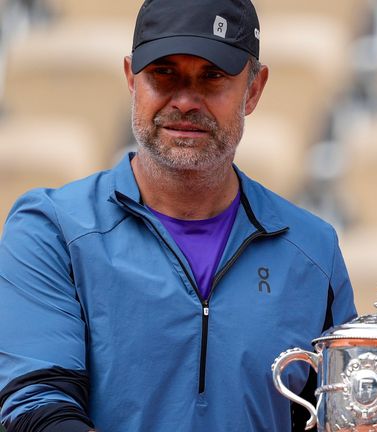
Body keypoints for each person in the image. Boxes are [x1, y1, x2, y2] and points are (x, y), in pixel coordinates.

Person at [0, 0, 357, 431]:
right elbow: (39, 408)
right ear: (132, 77)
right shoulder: (50, 229)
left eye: (213, 76)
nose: (186, 101)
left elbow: (343, 418)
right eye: (164, 73)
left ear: (254, 89)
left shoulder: (313, 250)